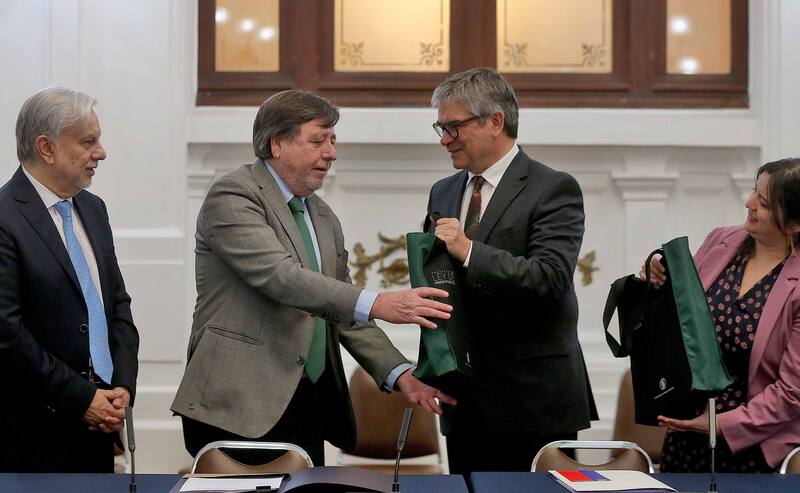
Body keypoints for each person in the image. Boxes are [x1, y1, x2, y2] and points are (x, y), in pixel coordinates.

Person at [171, 90, 455, 466]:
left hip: (309, 402)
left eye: (333, 141)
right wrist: (380, 303)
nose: (331, 153)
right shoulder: (234, 196)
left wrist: (400, 371)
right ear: (277, 144)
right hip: (239, 403)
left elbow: (342, 308)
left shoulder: (322, 215)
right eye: (318, 141)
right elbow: (280, 277)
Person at [425, 67, 597, 476]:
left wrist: (469, 251)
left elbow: (550, 278)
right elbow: (440, 286)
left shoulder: (553, 187)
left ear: (495, 121)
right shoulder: (443, 191)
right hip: (464, 402)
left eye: (454, 126)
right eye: (441, 127)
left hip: (533, 403)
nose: (445, 139)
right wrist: (434, 367)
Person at [0, 87, 139, 472]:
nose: (101, 153)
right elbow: (7, 333)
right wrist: (81, 398)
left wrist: (122, 386)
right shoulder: (5, 217)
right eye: (88, 142)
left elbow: (116, 304)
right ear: (46, 148)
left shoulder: (93, 209)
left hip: (98, 427)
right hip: (30, 438)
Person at [641, 158, 800, 472]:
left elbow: (792, 393)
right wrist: (656, 280)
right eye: (754, 192)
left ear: (795, 223)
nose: (749, 203)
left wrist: (717, 424)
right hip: (686, 434)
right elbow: (680, 320)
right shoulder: (720, 241)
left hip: (754, 447)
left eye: (764, 202)